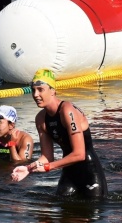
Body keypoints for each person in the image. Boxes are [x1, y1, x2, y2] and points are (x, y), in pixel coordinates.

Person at [10, 69, 107, 199]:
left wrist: (49, 167)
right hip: (69, 171)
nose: (35, 94)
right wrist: (28, 169)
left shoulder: (67, 111)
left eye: (40, 89)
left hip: (90, 171)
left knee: (92, 210)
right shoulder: (41, 119)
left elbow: (79, 154)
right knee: (62, 211)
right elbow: (47, 157)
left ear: (52, 90)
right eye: (33, 90)